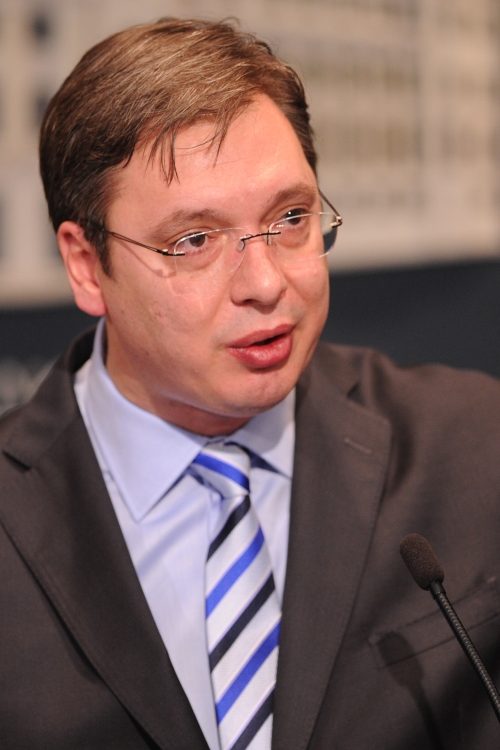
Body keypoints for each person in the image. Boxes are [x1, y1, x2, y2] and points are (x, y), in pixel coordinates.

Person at [1, 17, 500, 750]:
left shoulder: (475, 445)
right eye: (195, 241)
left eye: (291, 218)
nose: (266, 283)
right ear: (85, 265)